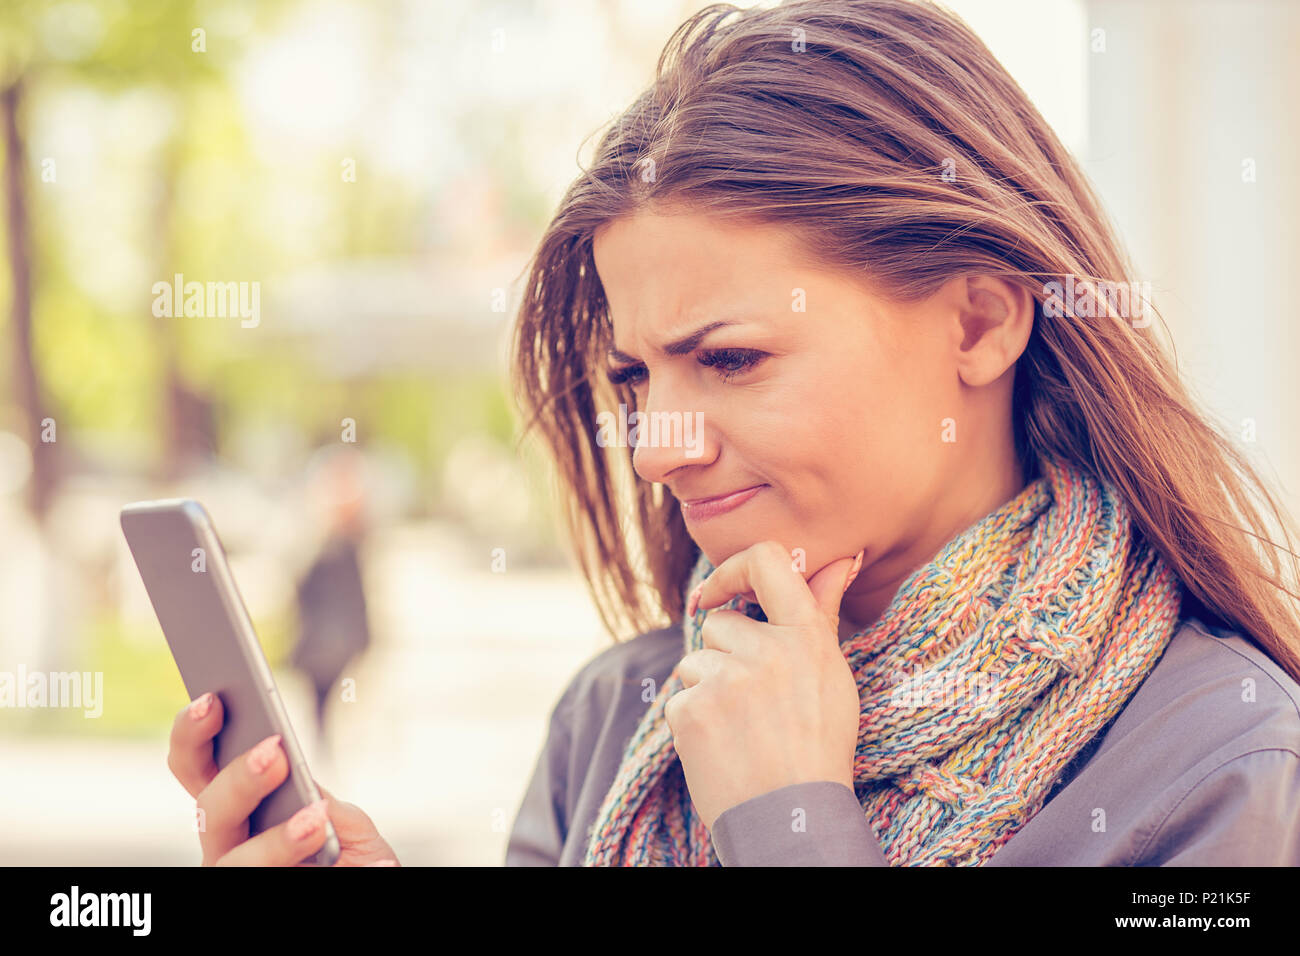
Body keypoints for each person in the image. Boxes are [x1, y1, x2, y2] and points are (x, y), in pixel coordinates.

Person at [165, 0, 1300, 867]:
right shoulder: (618, 717)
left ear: (980, 318)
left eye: (731, 358)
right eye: (632, 373)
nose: (656, 446)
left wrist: (789, 824)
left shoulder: (1226, 771)